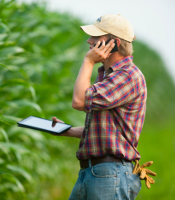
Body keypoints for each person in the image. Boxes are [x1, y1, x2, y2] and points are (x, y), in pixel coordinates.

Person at [53, 14, 147, 200]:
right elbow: (109, 129)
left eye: (96, 38)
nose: (89, 41)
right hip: (96, 173)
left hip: (110, 174)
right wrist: (69, 131)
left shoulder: (127, 76)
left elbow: (79, 101)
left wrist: (88, 61)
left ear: (115, 44)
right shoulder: (109, 76)